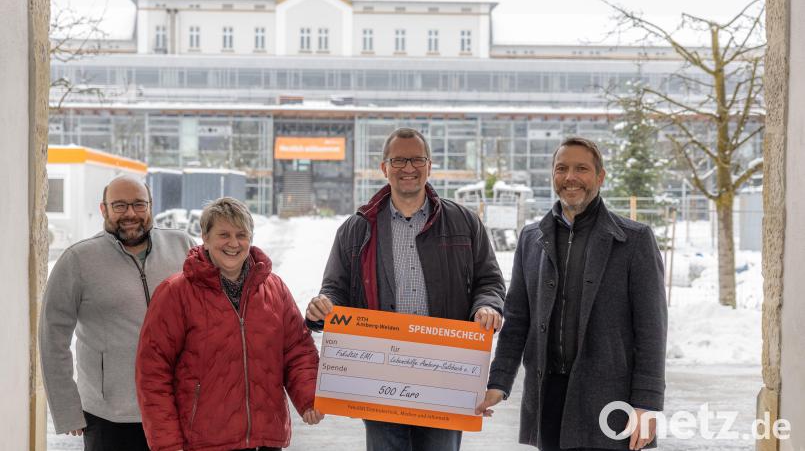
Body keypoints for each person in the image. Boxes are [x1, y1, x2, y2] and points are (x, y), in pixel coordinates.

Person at [305, 127, 506, 451]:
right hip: (380, 379)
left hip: (445, 377)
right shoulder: (357, 228)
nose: (408, 168)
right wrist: (324, 306)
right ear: (384, 167)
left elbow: (490, 281)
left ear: (429, 165)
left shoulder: (464, 223)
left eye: (416, 159)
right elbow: (335, 289)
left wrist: (487, 306)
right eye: (399, 160)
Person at [476, 137, 668, 451]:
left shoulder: (634, 241)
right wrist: (498, 382)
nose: (570, 177)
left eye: (582, 168)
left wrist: (645, 405)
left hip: (610, 400)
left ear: (600, 176)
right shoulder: (531, 239)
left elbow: (651, 331)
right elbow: (518, 320)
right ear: (552, 175)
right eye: (562, 168)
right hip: (549, 396)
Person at [135, 197, 322, 451]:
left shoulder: (274, 288)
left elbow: (297, 350)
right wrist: (167, 443)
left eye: (241, 235)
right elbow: (153, 372)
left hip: (265, 438)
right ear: (205, 237)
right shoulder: (175, 293)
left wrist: (308, 397)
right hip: (204, 442)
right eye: (223, 234)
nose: (233, 243)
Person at [39, 175, 196, 450]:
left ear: (151, 206)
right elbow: (52, 335)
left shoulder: (183, 247)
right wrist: (66, 406)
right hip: (109, 416)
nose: (131, 214)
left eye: (138, 204)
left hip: (177, 407)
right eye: (120, 206)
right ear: (104, 210)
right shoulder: (78, 260)